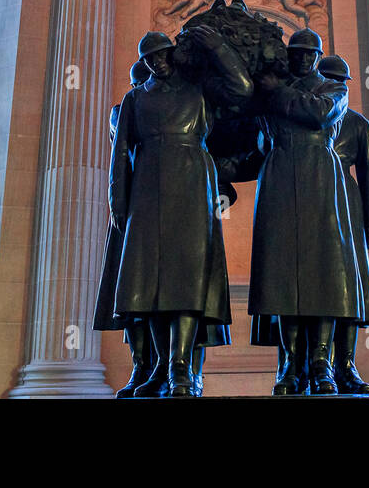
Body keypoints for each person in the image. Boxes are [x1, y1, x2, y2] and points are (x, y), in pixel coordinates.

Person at [110, 27, 252, 396]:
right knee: (149, 283)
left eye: (161, 55)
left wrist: (217, 45)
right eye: (149, 58)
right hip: (148, 187)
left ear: (172, 54)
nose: (157, 62)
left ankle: (180, 368)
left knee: (187, 279)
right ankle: (160, 365)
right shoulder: (135, 99)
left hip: (193, 182)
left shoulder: (198, 87)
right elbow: (121, 152)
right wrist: (118, 202)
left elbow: (241, 89)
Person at [250, 28, 368, 395]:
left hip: (321, 175)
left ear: (318, 56)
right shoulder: (270, 89)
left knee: (325, 273)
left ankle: (322, 363)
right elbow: (256, 135)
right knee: (282, 276)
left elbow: (318, 113)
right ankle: (289, 364)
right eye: (297, 53)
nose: (302, 59)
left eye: (309, 53)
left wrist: (277, 92)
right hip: (280, 173)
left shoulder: (334, 89)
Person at [318, 54, 369, 394]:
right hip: (315, 211)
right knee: (320, 293)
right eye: (331, 80)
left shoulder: (357, 124)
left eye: (341, 82)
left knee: (350, 296)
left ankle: (345, 366)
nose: (337, 87)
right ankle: (319, 366)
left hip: (348, 211)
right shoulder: (311, 120)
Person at [93, 60, 153, 397]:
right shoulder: (124, 110)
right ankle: (141, 366)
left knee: (165, 298)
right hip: (130, 213)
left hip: (164, 211)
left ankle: (163, 369)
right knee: (132, 299)